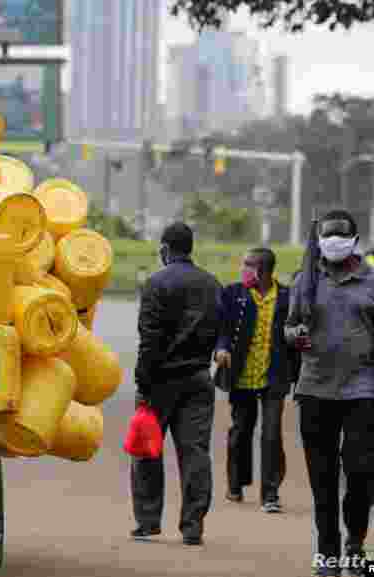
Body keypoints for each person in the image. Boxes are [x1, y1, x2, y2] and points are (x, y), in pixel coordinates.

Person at [285, 210, 374, 576]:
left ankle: (356, 541)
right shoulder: (305, 280)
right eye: (327, 235)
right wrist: (295, 334)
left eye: (340, 235)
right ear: (318, 241)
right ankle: (328, 553)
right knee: (322, 478)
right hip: (315, 389)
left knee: (360, 471)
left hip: (362, 391)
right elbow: (288, 329)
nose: (333, 241)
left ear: (354, 239)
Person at [131, 222, 222, 547]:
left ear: (166, 249)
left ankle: (148, 521)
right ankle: (193, 525)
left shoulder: (157, 283)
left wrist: (143, 381)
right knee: (196, 453)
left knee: (147, 451)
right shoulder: (212, 284)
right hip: (198, 378)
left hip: (160, 382)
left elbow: (149, 339)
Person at [215, 247, 297, 513]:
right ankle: (236, 483)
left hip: (275, 374)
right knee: (241, 431)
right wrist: (221, 348)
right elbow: (223, 328)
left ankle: (270, 494)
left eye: (249, 264)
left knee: (272, 433)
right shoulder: (233, 293)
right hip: (241, 374)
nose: (244, 268)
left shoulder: (286, 296)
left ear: (263, 270)